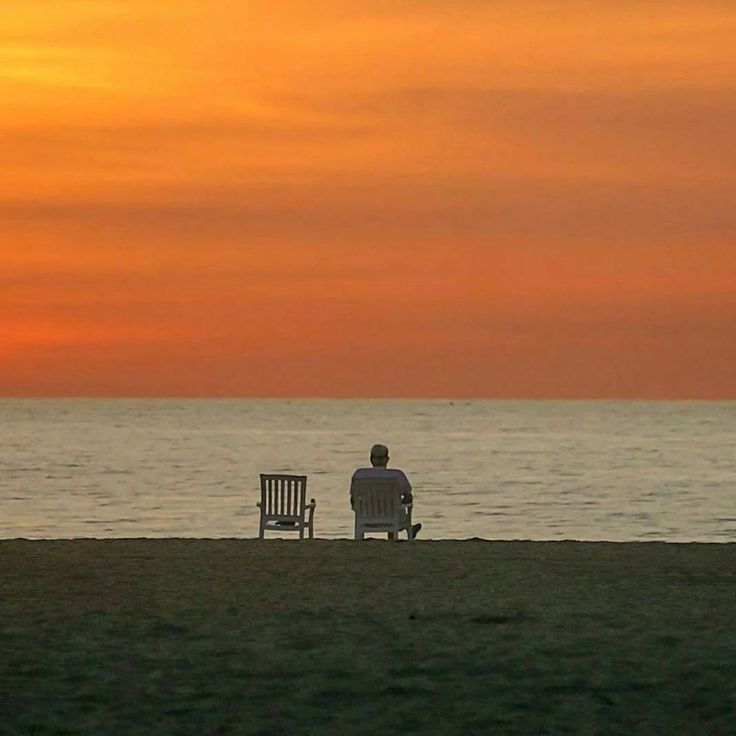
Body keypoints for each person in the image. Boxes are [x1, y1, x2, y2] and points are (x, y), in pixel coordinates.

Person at [351, 443, 422, 539]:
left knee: (389, 506)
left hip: (366, 519)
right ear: (387, 459)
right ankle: (407, 529)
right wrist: (400, 503)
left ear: (371, 459)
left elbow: (353, 499)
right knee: (395, 507)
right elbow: (408, 497)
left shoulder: (359, 474)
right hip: (393, 519)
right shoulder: (397, 475)